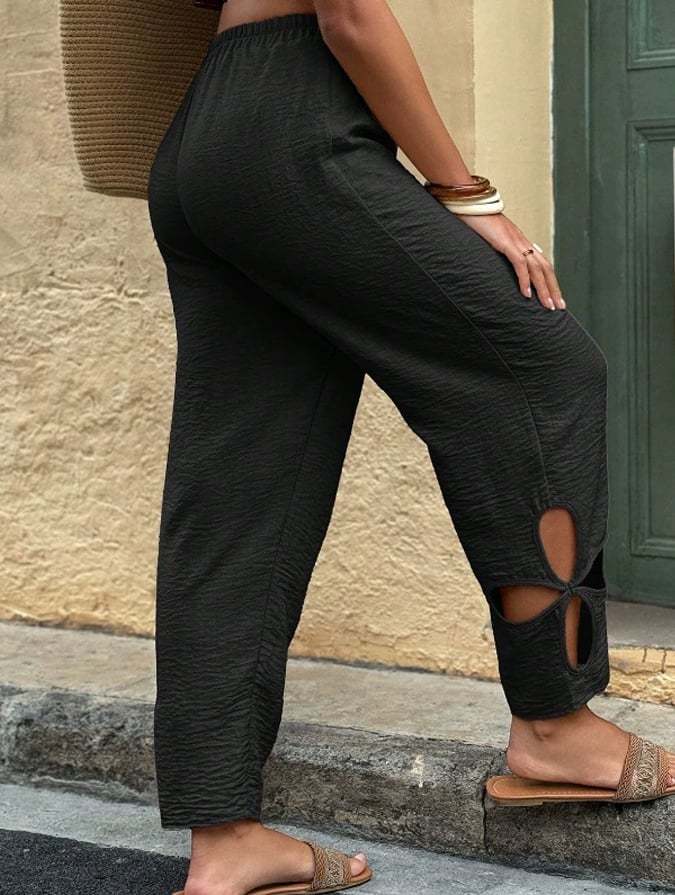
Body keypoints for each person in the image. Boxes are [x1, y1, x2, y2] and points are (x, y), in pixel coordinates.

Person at [145, 1, 675, 893]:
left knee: (239, 493)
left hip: (207, 139)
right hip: (295, 128)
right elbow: (351, 15)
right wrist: (465, 193)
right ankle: (554, 722)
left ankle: (223, 835)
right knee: (545, 369)